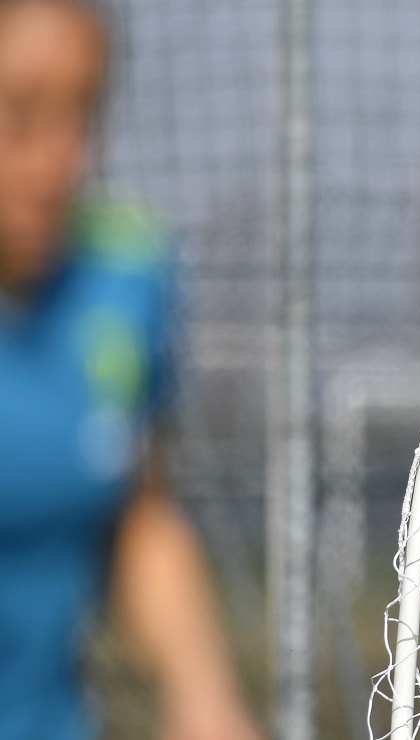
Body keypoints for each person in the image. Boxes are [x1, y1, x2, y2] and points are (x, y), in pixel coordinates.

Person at [0, 1, 261, 738]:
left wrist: (203, 694)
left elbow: (137, 513)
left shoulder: (127, 278)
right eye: (20, 114)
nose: (61, 158)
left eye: (82, 114)